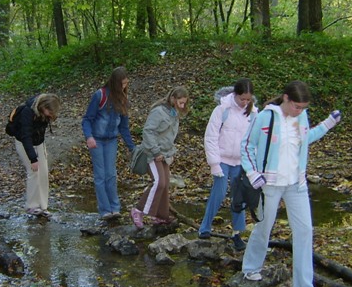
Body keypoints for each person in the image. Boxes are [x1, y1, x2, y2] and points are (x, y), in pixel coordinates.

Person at [240, 80, 341, 287]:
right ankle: (250, 268)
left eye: (303, 108)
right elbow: (247, 145)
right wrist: (253, 173)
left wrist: (327, 124)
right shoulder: (265, 116)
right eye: (297, 106)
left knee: (304, 231)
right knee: (264, 227)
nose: (300, 111)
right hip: (270, 184)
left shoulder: (301, 117)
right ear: (286, 98)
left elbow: (305, 139)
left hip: (296, 184)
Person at [198, 79, 257, 249]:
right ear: (235, 95)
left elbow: (254, 140)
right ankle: (205, 227)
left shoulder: (253, 113)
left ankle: (237, 233)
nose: (245, 102)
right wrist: (214, 163)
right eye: (242, 99)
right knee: (219, 192)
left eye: (248, 99)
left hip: (241, 161)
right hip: (222, 159)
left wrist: (252, 164)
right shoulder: (222, 109)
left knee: (239, 197)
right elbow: (211, 136)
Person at [130, 86, 189, 229]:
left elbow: (168, 136)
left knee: (166, 182)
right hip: (152, 153)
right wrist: (156, 152)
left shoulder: (174, 113)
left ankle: (160, 215)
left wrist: (170, 153)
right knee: (159, 182)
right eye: (180, 103)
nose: (182, 106)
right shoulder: (159, 112)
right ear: (173, 99)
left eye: (184, 103)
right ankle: (138, 210)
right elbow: (148, 132)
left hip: (165, 154)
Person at [82, 67, 136, 221]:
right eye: (122, 84)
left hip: (112, 141)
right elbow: (87, 119)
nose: (124, 87)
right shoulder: (100, 95)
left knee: (111, 175)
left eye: (126, 84)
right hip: (97, 140)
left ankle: (115, 208)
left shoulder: (123, 99)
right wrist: (89, 137)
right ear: (114, 82)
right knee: (100, 175)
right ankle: (105, 210)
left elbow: (124, 127)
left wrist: (132, 147)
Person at [9, 93, 61, 217]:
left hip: (39, 142)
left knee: (43, 173)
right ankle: (32, 206)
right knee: (33, 172)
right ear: (43, 106)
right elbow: (25, 137)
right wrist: (33, 159)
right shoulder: (27, 112)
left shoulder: (44, 113)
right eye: (50, 112)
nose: (51, 115)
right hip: (23, 143)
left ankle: (43, 206)